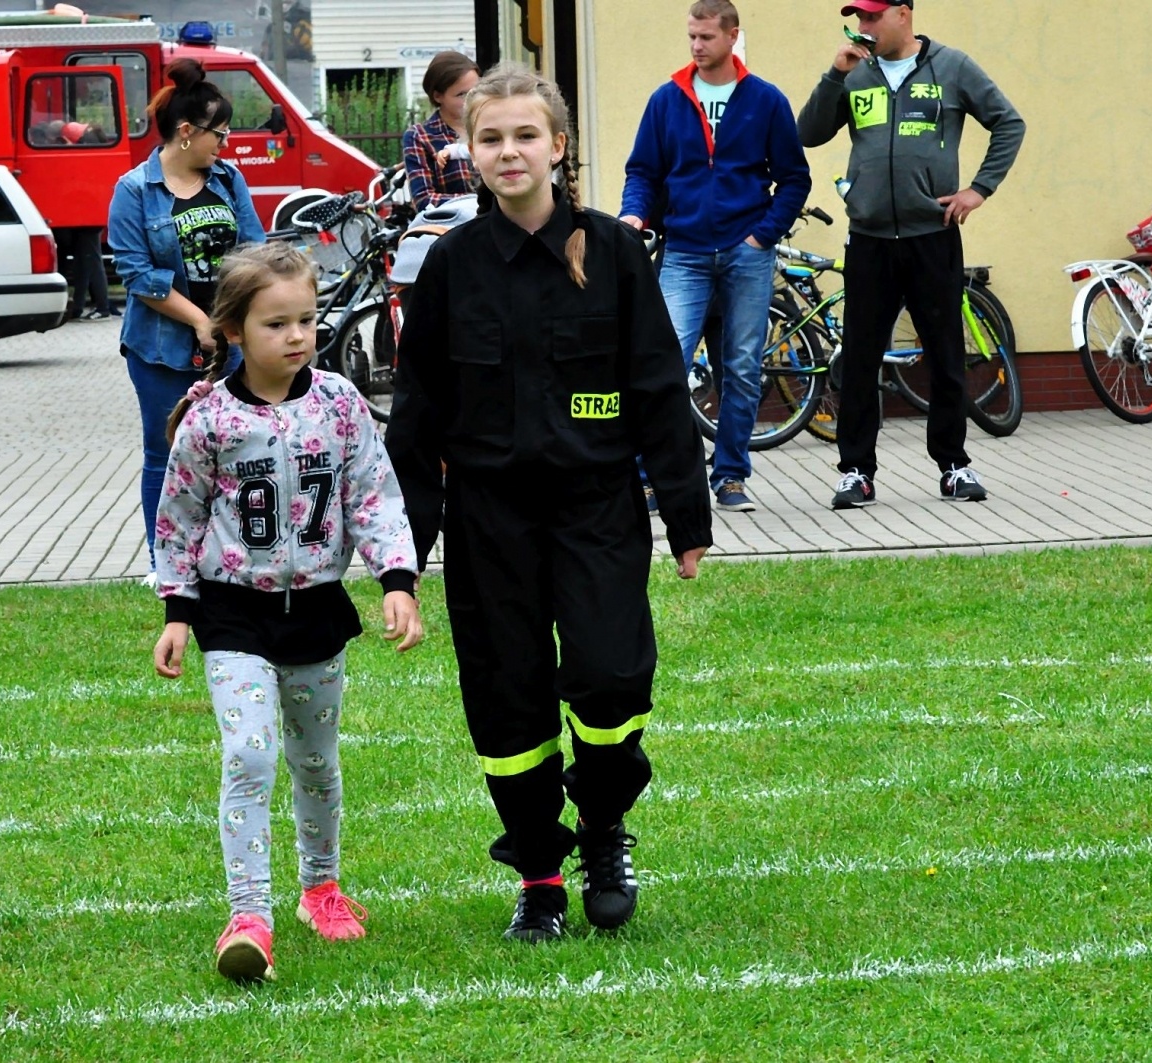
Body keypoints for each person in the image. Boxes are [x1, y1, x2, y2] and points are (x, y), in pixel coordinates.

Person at [387, 63, 713, 943]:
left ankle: (603, 826)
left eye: (526, 135)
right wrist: (399, 560)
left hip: (596, 508)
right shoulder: (449, 267)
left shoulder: (610, 253)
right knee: (508, 705)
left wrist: (686, 516)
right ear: (469, 150)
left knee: (611, 678)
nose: (508, 151)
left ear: (559, 147)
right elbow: (415, 423)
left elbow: (657, 389)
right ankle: (538, 873)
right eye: (489, 137)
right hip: (489, 519)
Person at [153, 240, 423, 983]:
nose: (297, 336)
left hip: (316, 611)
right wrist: (177, 608)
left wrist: (396, 578)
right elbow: (176, 517)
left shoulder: (339, 404)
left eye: (306, 319)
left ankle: (321, 888)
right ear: (234, 330)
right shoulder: (208, 419)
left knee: (315, 761)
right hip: (234, 613)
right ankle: (249, 916)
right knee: (249, 753)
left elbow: (374, 495)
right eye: (277, 324)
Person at [796, 0, 1024, 508]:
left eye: (873, 17)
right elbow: (807, 134)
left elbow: (1009, 123)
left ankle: (954, 466)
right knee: (859, 358)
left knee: (944, 354)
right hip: (870, 237)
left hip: (931, 235)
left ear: (904, 14)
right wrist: (835, 74)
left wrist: (978, 190)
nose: (863, 27)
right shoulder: (856, 73)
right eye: (859, 18)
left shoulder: (952, 67)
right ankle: (856, 471)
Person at [620, 0, 811, 515]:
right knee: (664, 366)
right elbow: (642, 171)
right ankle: (650, 479)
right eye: (691, 37)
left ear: (732, 37)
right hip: (683, 252)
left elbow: (794, 178)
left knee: (743, 370)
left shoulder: (765, 100)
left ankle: (730, 477)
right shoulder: (667, 99)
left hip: (745, 254)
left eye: (706, 36)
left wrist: (762, 235)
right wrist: (633, 217)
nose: (697, 46)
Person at [109, 58, 265, 580]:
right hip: (158, 347)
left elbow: (254, 249)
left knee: (237, 448)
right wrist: (200, 319)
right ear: (185, 132)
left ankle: (232, 551)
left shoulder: (228, 179)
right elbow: (135, 272)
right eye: (219, 132)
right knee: (165, 451)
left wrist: (234, 323)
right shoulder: (134, 191)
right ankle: (165, 563)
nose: (226, 142)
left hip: (232, 341)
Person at [402, 50, 481, 211]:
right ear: (438, 96)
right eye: (462, 94)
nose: (472, 100)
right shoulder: (420, 136)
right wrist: (480, 202)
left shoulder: (493, 125)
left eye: (477, 91)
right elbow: (424, 200)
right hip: (452, 229)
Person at [61, 226, 113, 321]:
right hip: (85, 223)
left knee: (92, 262)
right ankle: (77, 307)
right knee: (82, 263)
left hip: (86, 224)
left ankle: (103, 309)